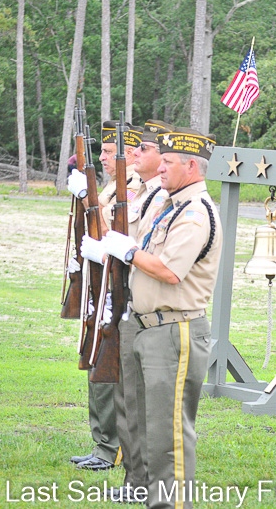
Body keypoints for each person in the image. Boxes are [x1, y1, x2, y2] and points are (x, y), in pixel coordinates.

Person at [81, 126, 222, 508]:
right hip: (148, 325)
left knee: (167, 433)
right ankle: (145, 492)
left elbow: (170, 271)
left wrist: (128, 252)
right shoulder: (169, 206)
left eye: (168, 162)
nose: (160, 167)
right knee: (142, 422)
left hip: (174, 328)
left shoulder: (195, 213)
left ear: (191, 167)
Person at [66, 120, 140, 471]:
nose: (103, 158)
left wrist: (87, 197)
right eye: (103, 151)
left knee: (108, 369)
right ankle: (102, 444)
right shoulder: (112, 186)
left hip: (118, 287)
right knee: (96, 362)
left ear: (132, 154)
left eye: (110, 152)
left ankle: (112, 447)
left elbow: (117, 233)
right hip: (102, 283)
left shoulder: (134, 188)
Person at [109, 119, 173, 503]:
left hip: (152, 310)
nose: (135, 153)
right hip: (130, 303)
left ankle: (145, 482)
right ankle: (134, 479)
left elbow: (149, 253)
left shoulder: (166, 199)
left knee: (144, 406)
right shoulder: (143, 193)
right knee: (127, 402)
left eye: (145, 149)